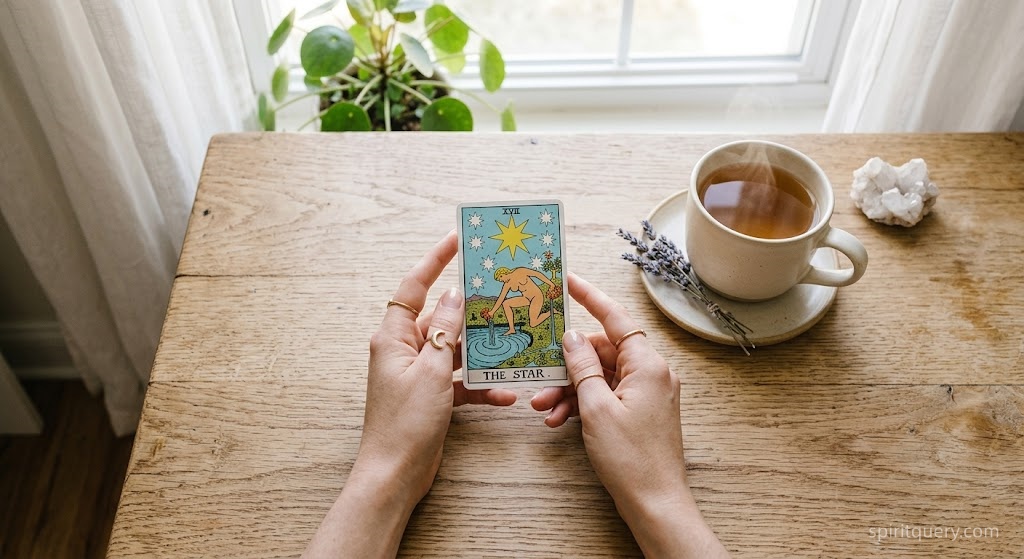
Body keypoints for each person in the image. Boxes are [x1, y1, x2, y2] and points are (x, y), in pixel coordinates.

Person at [302, 232, 729, 558]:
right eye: (504, 278)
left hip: (539, 300)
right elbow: (508, 295)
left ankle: (530, 324)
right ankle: (516, 328)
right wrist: (660, 497)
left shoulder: (526, 277)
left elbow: (537, 279)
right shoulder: (510, 284)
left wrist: (389, 468)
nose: (505, 278)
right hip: (522, 309)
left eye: (506, 276)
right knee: (510, 311)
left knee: (531, 314)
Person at [489, 266, 558, 335]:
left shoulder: (520, 271)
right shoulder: (507, 284)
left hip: (536, 296)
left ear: (502, 274)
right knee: (505, 303)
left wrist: (551, 284)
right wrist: (492, 312)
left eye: (501, 279)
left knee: (533, 323)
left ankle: (551, 312)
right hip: (526, 298)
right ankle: (512, 329)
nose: (502, 281)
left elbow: (537, 274)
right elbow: (501, 298)